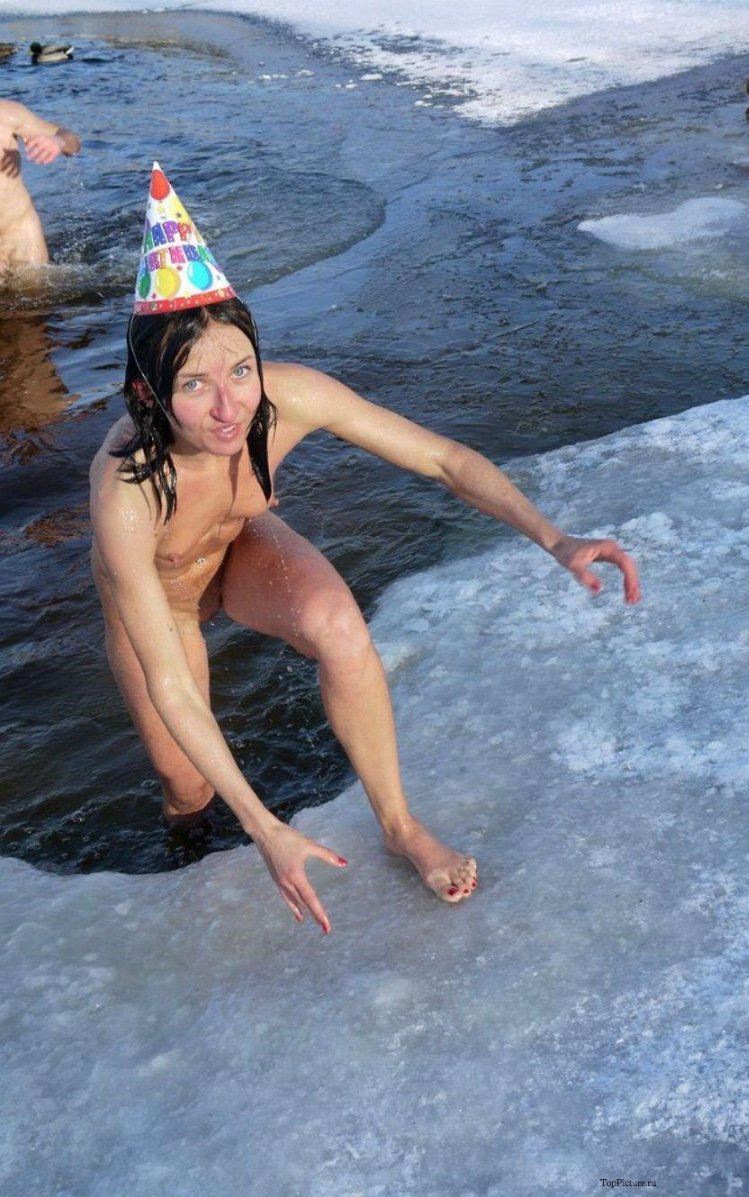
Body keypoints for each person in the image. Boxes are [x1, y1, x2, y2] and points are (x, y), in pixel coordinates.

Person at [90, 164, 641, 934]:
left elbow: (444, 460)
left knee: (340, 626)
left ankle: (400, 826)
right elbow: (173, 687)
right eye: (193, 385)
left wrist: (555, 537)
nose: (227, 406)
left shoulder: (287, 398)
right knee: (188, 787)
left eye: (240, 370)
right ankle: (192, 870)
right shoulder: (127, 490)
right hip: (165, 603)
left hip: (240, 547)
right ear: (147, 393)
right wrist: (265, 826)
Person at [0, 98, 81, 269]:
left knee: (41, 286)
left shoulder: (7, 114)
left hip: (21, 233)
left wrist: (58, 141)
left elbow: (73, 143)